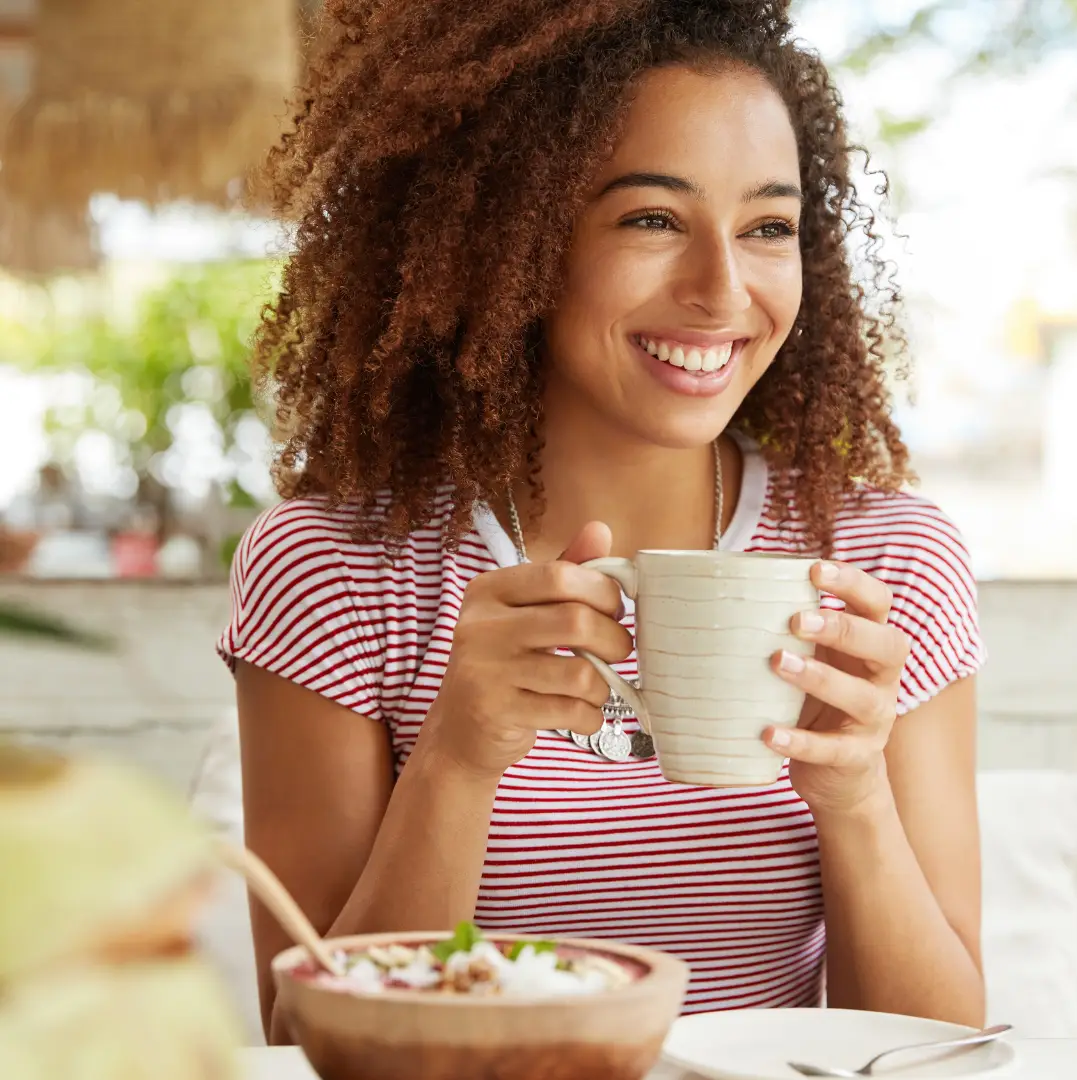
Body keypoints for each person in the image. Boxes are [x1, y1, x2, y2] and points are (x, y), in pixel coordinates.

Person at [220, 0, 987, 1044]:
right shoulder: (337, 570)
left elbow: (940, 1047)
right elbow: (305, 1040)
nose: (723, 291)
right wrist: (457, 759)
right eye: (653, 220)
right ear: (514, 238)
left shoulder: (887, 559)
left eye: (768, 227)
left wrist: (855, 801)